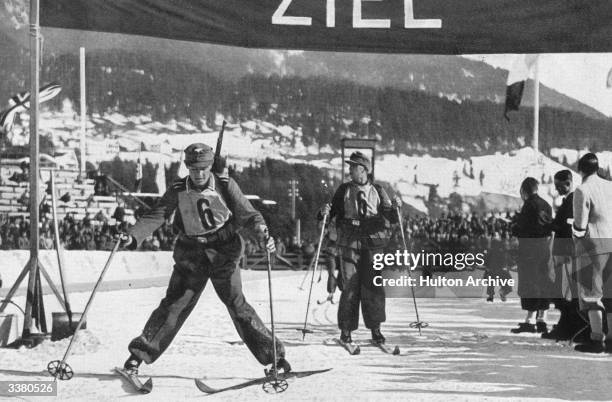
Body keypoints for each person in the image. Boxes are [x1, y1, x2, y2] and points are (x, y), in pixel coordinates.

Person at [117, 143, 290, 375]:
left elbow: (250, 215)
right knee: (174, 304)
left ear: (210, 167)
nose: (198, 174)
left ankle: (275, 359)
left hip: (223, 251)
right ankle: (138, 356)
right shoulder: (179, 188)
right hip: (192, 253)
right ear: (187, 167)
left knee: (237, 304)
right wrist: (132, 235)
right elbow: (158, 214)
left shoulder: (226, 185)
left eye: (203, 169)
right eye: (193, 169)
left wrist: (263, 234)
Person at [319, 151, 400, 345]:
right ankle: (346, 330)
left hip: (373, 242)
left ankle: (376, 329)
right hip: (349, 240)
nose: (350, 169)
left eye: (353, 166)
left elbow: (391, 218)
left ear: (363, 170)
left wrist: (397, 208)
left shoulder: (379, 191)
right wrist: (324, 212)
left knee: (373, 286)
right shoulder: (344, 190)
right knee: (349, 285)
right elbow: (331, 213)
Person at [572, 153, 612, 353]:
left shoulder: (582, 189)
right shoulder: (610, 186)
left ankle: (597, 339)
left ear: (580, 170)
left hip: (593, 245)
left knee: (592, 293)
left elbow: (580, 224)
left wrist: (575, 234)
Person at [541, 170, 583, 341]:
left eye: (559, 185)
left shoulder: (573, 201)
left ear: (569, 182)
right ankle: (566, 326)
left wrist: (552, 225)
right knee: (563, 293)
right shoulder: (568, 200)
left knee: (567, 293)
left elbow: (570, 227)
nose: (557, 189)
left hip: (567, 252)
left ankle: (568, 328)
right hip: (564, 251)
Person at [510, 177, 553, 334]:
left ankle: (529, 320)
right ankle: (542, 319)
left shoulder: (528, 205)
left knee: (530, 282)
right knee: (543, 281)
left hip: (529, 249)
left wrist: (514, 226)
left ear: (525, 190)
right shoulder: (547, 205)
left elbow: (522, 228)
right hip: (544, 247)